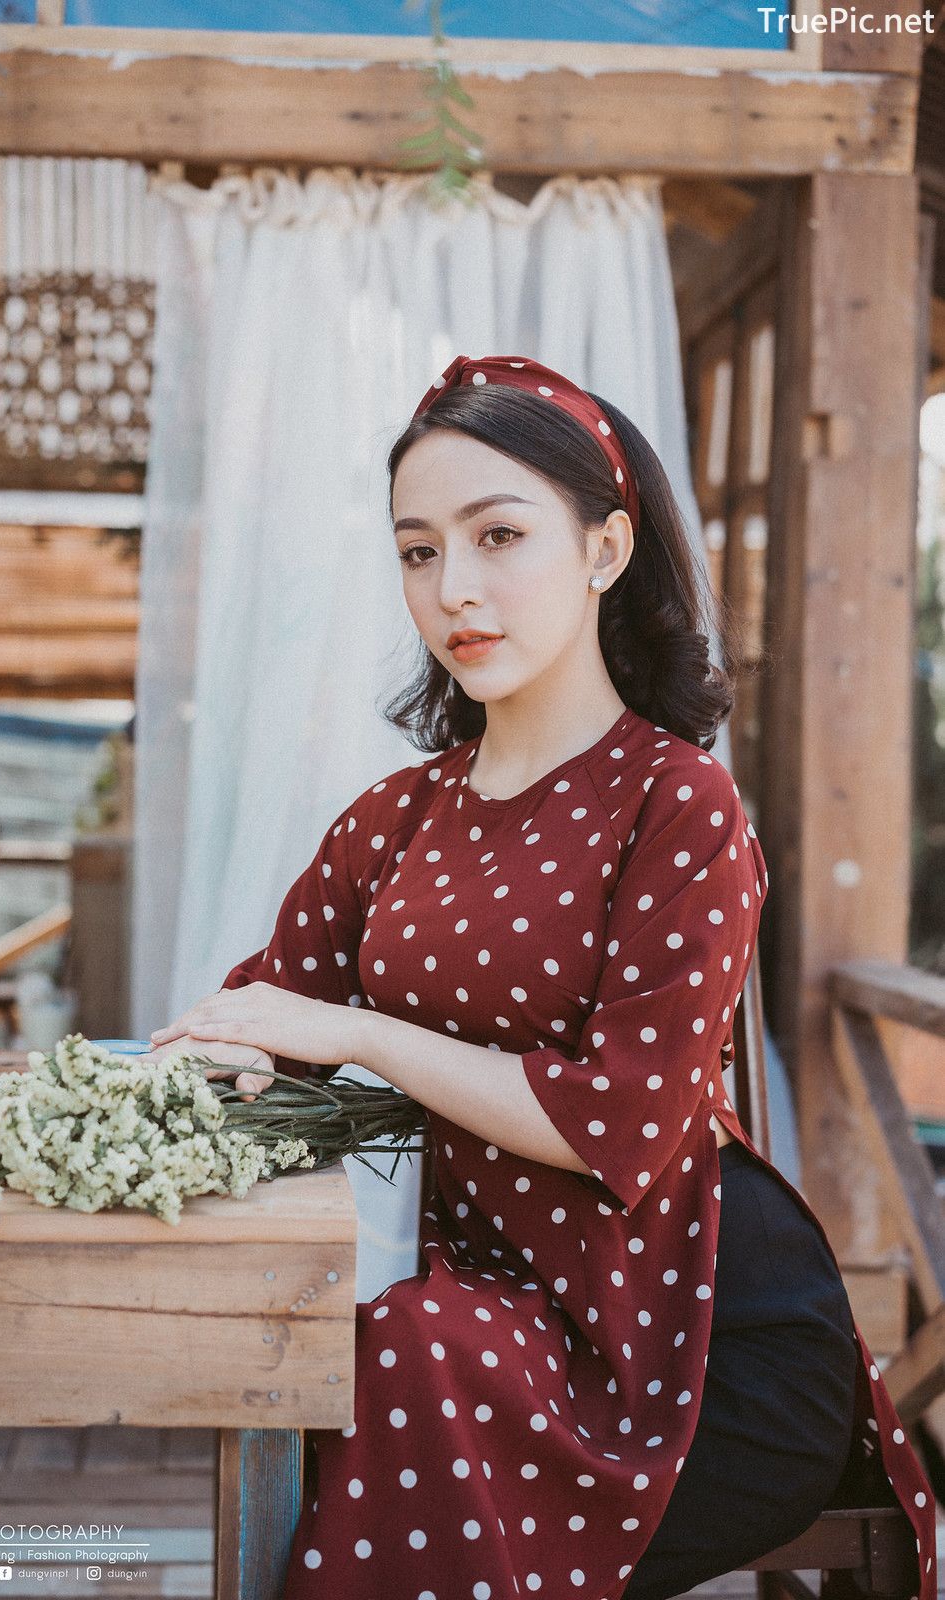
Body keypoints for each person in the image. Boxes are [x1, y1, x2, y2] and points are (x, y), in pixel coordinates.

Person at [147, 355, 936, 1600]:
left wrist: (356, 1027)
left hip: (706, 1339)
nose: (453, 587)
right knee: (384, 1354)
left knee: (406, 1362)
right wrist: (165, 1086)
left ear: (606, 550)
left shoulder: (680, 804)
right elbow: (264, 1024)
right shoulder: (394, 819)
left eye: (497, 535)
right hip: (502, 1320)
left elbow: (618, 1122)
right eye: (416, 551)